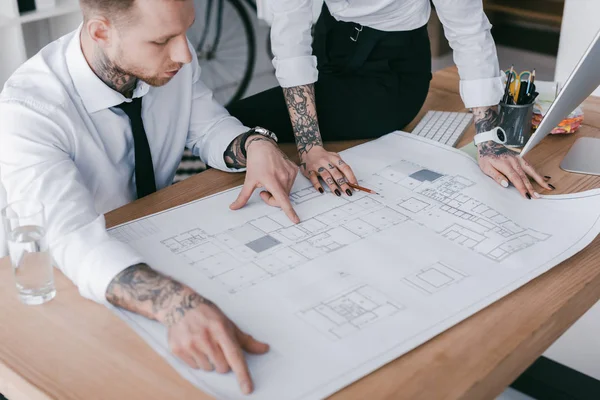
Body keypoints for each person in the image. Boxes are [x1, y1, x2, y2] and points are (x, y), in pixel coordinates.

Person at [0, 0, 300, 395]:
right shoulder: (29, 108)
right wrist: (175, 303)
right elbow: (69, 238)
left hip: (157, 239)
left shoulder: (171, 61)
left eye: (185, 31)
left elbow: (209, 127)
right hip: (69, 281)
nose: (185, 54)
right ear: (101, 32)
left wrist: (253, 143)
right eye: (162, 40)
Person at [227, 0, 554, 200]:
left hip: (391, 74)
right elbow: (291, 35)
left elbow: (469, 30)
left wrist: (487, 139)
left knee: (236, 120)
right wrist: (309, 146)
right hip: (331, 40)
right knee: (234, 127)